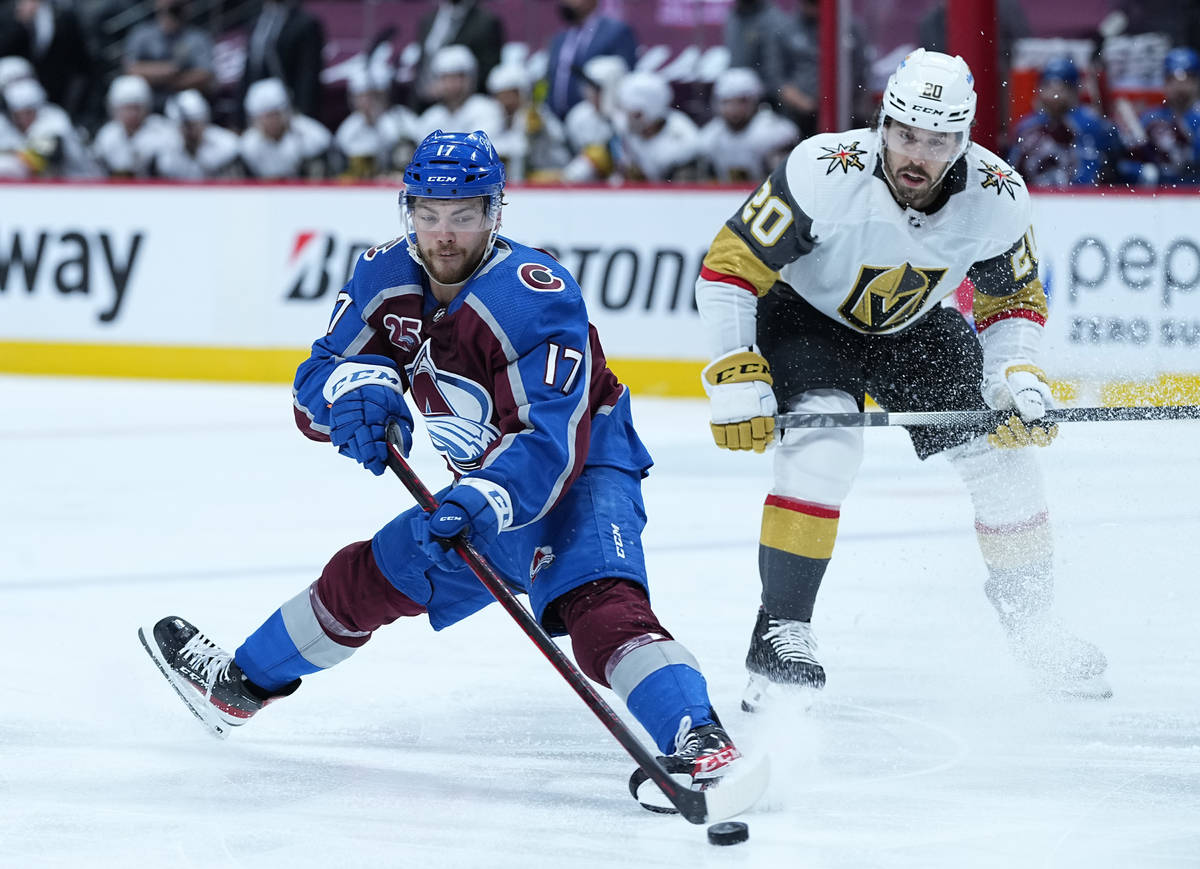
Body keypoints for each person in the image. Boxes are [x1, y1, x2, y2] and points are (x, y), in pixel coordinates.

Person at [138, 129, 762, 815]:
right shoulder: (384, 275)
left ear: (495, 213)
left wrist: (479, 496)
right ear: (408, 210)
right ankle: (238, 686)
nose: (443, 233)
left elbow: (550, 440)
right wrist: (357, 391)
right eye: (429, 214)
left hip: (579, 471)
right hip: (481, 485)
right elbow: (312, 385)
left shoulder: (536, 295)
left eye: (463, 214)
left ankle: (702, 741)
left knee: (600, 608)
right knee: (365, 575)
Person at [692, 49, 1112, 711]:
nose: (916, 154)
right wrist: (734, 373)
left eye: (938, 140)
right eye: (905, 133)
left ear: (964, 139)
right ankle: (780, 636)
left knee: (1005, 458)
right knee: (826, 452)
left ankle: (1035, 628)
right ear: (884, 122)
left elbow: (1014, 302)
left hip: (915, 324)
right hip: (805, 318)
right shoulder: (823, 168)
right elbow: (728, 268)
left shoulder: (997, 195)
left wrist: (1017, 371)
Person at [1007, 56, 1142, 187]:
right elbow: (1011, 173)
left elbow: (1118, 162)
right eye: (1049, 85)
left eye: (1061, 86)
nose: (1055, 92)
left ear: (1074, 90)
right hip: (1036, 199)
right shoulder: (1027, 127)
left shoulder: (1093, 124)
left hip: (1086, 200)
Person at [698, 67, 799, 183]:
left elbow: (784, 180)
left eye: (741, 101)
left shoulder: (774, 131)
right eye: (727, 102)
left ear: (755, 100)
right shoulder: (710, 137)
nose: (733, 109)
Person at [544, 0, 637, 119]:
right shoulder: (560, 38)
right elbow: (548, 79)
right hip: (557, 122)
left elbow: (625, 79)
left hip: (597, 123)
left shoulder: (616, 32)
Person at [240, 0, 325, 123]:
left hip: (289, 107)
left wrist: (303, 112)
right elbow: (249, 68)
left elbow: (308, 73)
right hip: (257, 107)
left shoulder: (305, 23)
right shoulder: (257, 20)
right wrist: (239, 118)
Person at [412, 0, 505, 110]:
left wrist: (450, 87)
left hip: (466, 106)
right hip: (424, 105)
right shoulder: (428, 19)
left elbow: (489, 69)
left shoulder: (486, 22)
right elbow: (422, 62)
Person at [123, 0, 215, 110]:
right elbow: (131, 68)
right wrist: (165, 70)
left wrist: (171, 82)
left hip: (182, 98)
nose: (169, 15)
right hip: (147, 98)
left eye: (174, 9)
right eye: (164, 10)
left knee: (190, 100)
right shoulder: (142, 33)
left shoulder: (197, 37)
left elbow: (205, 74)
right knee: (126, 88)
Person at [239, 76, 332, 179]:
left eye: (276, 114)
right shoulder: (248, 145)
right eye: (267, 116)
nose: (272, 121)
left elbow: (323, 141)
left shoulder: (308, 136)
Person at [1136, 47, 1200, 186]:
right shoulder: (1150, 119)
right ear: (1165, 82)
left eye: (1188, 79)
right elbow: (1125, 162)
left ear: (1196, 82)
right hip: (1161, 197)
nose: (1180, 86)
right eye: (1173, 80)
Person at [413, 45, 503, 142]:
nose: (453, 85)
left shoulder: (487, 109)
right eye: (446, 78)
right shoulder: (431, 117)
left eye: (459, 77)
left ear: (471, 79)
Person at [156, 89, 242, 179]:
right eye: (185, 126)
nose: (191, 131)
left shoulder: (227, 145)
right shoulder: (166, 153)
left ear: (204, 120)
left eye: (195, 124)